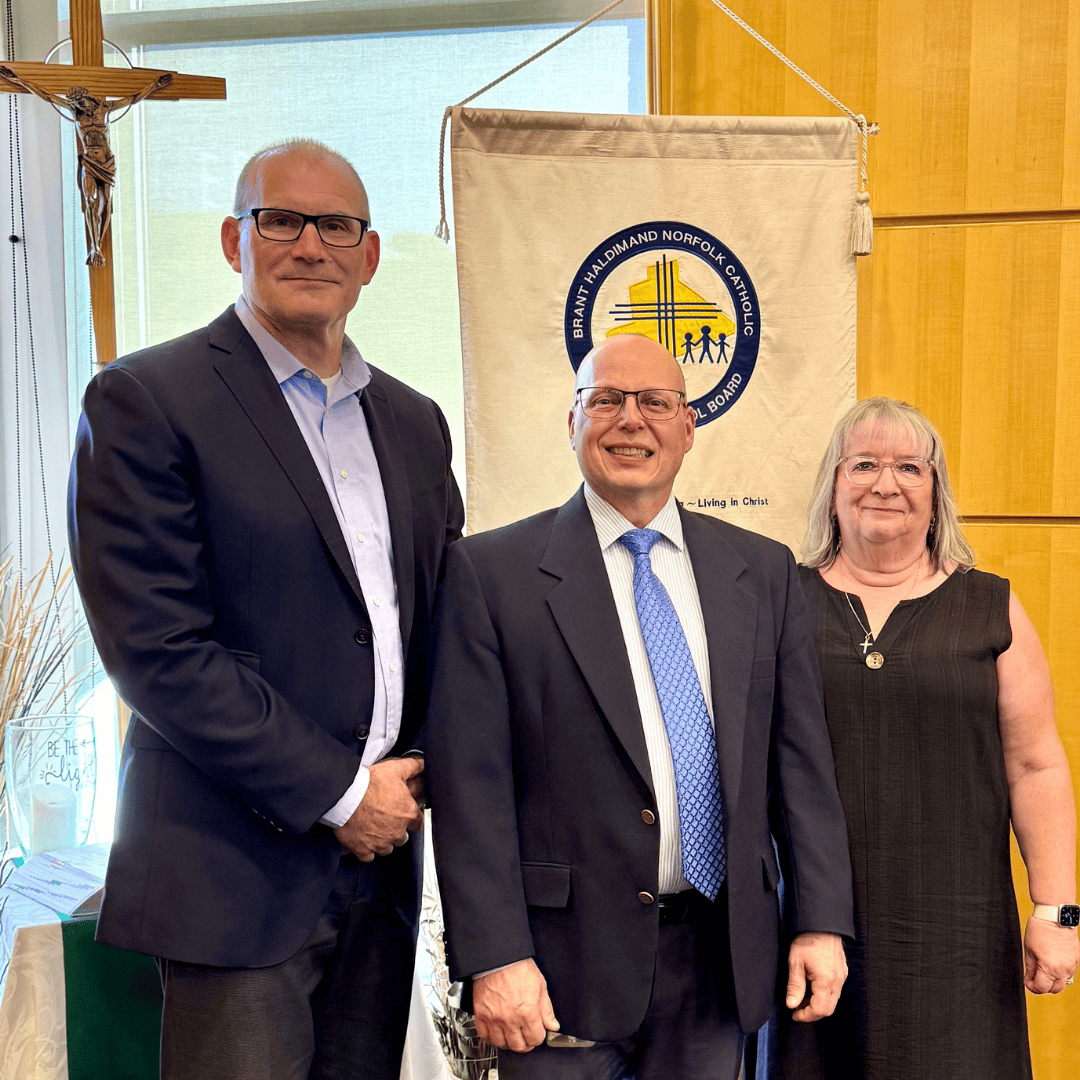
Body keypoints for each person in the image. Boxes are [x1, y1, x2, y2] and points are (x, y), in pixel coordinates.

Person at [68, 140, 464, 1080]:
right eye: (279, 219)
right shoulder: (145, 400)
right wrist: (341, 794)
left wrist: (423, 779)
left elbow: (444, 625)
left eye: (337, 226)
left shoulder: (412, 422)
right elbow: (157, 650)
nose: (308, 246)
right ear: (232, 240)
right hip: (232, 874)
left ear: (368, 259)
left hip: (382, 871)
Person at [426, 334, 855, 1080]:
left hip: (719, 959)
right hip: (559, 971)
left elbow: (800, 766)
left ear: (688, 427)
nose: (632, 421)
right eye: (607, 401)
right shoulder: (491, 575)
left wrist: (819, 921)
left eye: (656, 402)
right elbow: (472, 788)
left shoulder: (761, 570)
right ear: (572, 422)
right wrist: (495, 956)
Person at [769, 397, 1079, 1079]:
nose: (886, 483)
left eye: (911, 467)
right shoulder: (779, 603)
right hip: (810, 925)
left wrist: (1059, 910)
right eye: (865, 465)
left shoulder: (990, 607)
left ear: (937, 496)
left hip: (958, 933)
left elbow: (1036, 766)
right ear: (832, 488)